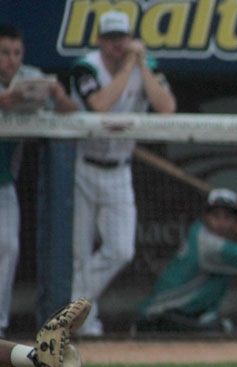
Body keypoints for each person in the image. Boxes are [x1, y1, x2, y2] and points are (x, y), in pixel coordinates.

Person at [68, 10, 176, 337]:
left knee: (121, 250)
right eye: (111, 39)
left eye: (122, 39)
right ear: (100, 40)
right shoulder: (86, 67)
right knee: (79, 252)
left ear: (130, 39)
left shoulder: (147, 67)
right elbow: (100, 104)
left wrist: (141, 65)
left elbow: (167, 107)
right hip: (83, 167)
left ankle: (72, 304)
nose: (117, 45)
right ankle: (85, 325)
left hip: (119, 170)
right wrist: (128, 67)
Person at [0, 25, 78, 339]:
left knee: (8, 247)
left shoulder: (31, 77)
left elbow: (71, 111)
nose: (11, 60)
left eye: (16, 53)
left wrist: (57, 94)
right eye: (4, 53)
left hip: (4, 181)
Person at [134, 188, 237, 333]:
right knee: (226, 332)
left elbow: (234, 238)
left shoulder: (199, 230)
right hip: (159, 318)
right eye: (215, 216)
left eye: (227, 217)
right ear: (205, 216)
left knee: (225, 330)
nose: (221, 223)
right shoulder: (209, 245)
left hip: (183, 317)